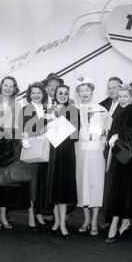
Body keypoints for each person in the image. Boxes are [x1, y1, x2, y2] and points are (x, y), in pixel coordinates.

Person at [0, 76, 30, 230]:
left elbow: (18, 127)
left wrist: (13, 136)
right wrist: (6, 133)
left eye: (11, 86)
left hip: (11, 148)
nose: (8, 88)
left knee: (7, 183)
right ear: (1, 86)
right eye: (6, 85)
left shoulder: (17, 105)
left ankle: (4, 216)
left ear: (14, 88)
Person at [103, 85, 132, 243]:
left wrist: (117, 138)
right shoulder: (124, 111)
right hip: (122, 156)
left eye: (125, 96)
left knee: (119, 191)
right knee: (123, 191)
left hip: (126, 157)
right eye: (120, 96)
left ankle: (115, 225)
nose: (122, 99)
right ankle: (125, 223)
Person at [43, 84, 80, 239]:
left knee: (63, 190)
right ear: (55, 94)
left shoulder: (73, 110)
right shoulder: (49, 111)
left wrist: (60, 123)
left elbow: (75, 135)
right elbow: (42, 130)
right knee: (54, 189)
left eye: (65, 93)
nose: (63, 95)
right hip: (53, 154)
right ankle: (57, 222)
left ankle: (63, 224)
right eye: (60, 93)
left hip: (66, 154)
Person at [74, 79, 110, 236]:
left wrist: (100, 133)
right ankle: (86, 219)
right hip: (80, 152)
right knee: (82, 184)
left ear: (92, 91)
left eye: (87, 90)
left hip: (96, 152)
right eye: (81, 91)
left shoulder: (101, 110)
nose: (84, 93)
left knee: (96, 184)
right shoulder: (74, 110)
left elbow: (107, 131)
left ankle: (95, 220)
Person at [20, 82, 48, 229]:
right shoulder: (25, 109)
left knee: (42, 184)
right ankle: (31, 214)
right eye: (33, 93)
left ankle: (39, 213)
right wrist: (25, 138)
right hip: (32, 149)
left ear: (43, 94)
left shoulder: (47, 109)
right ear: (29, 95)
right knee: (32, 183)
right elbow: (22, 129)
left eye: (39, 92)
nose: (36, 95)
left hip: (46, 149)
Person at [100, 76, 123, 229]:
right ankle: (109, 220)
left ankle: (120, 221)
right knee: (108, 184)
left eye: (114, 87)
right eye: (109, 87)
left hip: (119, 150)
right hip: (105, 149)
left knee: (118, 185)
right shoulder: (104, 105)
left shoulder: (125, 105)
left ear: (121, 88)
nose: (111, 90)